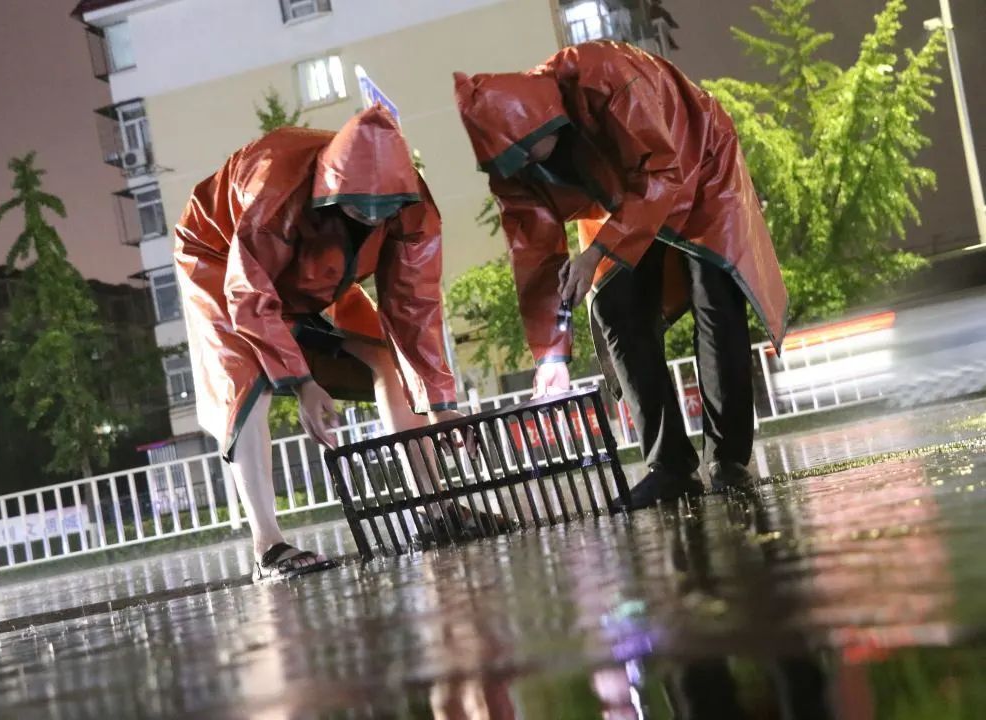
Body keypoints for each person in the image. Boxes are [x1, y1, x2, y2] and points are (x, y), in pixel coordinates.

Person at [453, 41, 788, 510]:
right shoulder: (514, 163)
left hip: (698, 162)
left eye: (531, 155)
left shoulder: (607, 76)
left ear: (546, 121)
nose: (528, 169)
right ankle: (670, 466)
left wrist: (599, 252)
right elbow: (535, 255)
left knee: (715, 293)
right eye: (516, 165)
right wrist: (552, 355)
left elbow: (663, 173)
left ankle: (728, 459)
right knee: (614, 306)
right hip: (626, 196)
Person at [174, 106, 463, 581]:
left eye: (379, 214)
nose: (370, 222)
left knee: (386, 361)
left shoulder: (411, 206)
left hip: (313, 270)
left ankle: (434, 509)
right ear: (331, 188)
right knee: (246, 384)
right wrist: (302, 381)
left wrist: (440, 401)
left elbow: (414, 306)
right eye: (355, 211)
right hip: (220, 258)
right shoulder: (274, 191)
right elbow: (249, 293)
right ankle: (268, 545)